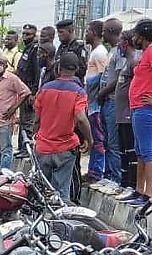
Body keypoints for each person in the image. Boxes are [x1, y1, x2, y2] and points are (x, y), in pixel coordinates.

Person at [34, 53, 92, 201]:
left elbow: (37, 118)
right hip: (65, 148)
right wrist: (89, 139)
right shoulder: (79, 92)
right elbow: (80, 117)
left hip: (43, 147)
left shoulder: (45, 89)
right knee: (61, 193)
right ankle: (60, 222)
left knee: (41, 193)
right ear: (77, 69)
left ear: (58, 68)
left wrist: (36, 136)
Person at [125, 18, 152, 206]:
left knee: (148, 151)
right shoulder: (147, 52)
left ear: (141, 36)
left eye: (135, 34)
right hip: (138, 108)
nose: (133, 38)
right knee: (140, 151)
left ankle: (148, 194)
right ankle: (139, 190)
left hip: (146, 109)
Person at [95, 18, 125, 190]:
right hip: (106, 101)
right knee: (106, 141)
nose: (102, 33)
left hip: (113, 101)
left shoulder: (120, 51)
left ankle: (115, 178)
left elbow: (119, 78)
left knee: (113, 143)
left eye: (105, 30)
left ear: (112, 30)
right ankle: (107, 175)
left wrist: (103, 92)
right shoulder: (112, 50)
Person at [0, 55, 31, 169]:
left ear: (6, 66)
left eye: (1, 64)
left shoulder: (12, 78)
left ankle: (4, 173)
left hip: (4, 121)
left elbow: (25, 93)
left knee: (6, 150)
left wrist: (13, 109)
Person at [113, 30, 138, 200]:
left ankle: (132, 184)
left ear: (126, 42)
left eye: (120, 42)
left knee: (130, 152)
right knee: (122, 150)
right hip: (121, 115)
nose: (117, 45)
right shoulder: (126, 62)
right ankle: (123, 183)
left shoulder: (135, 62)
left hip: (129, 115)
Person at [84, 20, 110, 184]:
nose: (85, 34)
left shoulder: (99, 53)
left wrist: (98, 95)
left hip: (96, 103)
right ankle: (93, 170)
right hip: (91, 101)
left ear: (94, 32)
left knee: (98, 138)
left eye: (87, 31)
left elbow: (103, 77)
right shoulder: (94, 52)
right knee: (94, 137)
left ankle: (97, 171)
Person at [16, 24, 40, 156]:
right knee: (23, 121)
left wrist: (33, 92)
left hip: (29, 91)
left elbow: (37, 73)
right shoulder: (27, 49)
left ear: (34, 35)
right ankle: (21, 148)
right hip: (23, 90)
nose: (25, 36)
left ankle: (27, 150)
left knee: (28, 122)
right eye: (24, 33)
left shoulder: (35, 50)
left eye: (28, 34)